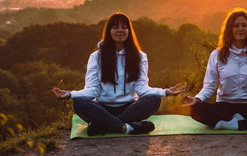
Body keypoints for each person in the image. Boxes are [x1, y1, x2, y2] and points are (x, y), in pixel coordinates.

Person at [52, 12, 185, 135]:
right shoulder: (96, 57)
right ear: (109, 31)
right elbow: (92, 90)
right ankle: (127, 127)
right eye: (115, 27)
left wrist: (166, 92)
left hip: (129, 108)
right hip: (102, 109)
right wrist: (70, 94)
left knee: (154, 99)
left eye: (124, 27)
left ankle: (103, 126)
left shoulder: (139, 56)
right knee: (78, 102)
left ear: (129, 31)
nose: (120, 30)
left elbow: (142, 89)